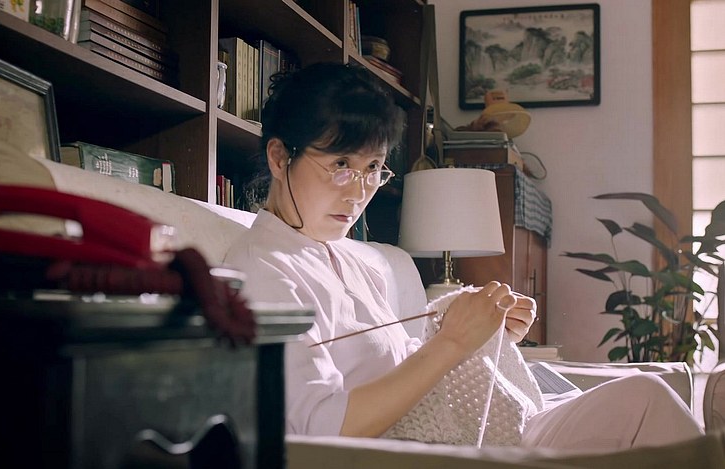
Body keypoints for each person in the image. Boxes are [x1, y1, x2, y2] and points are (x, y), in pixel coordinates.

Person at [224, 62, 703, 450]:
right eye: (340, 165)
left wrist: (478, 330)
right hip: (409, 452)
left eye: (373, 168)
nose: (359, 192)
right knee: (645, 401)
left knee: (644, 396)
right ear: (280, 158)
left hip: (454, 431)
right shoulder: (261, 273)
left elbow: (398, 362)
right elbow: (320, 428)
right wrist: (451, 343)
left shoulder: (349, 256)